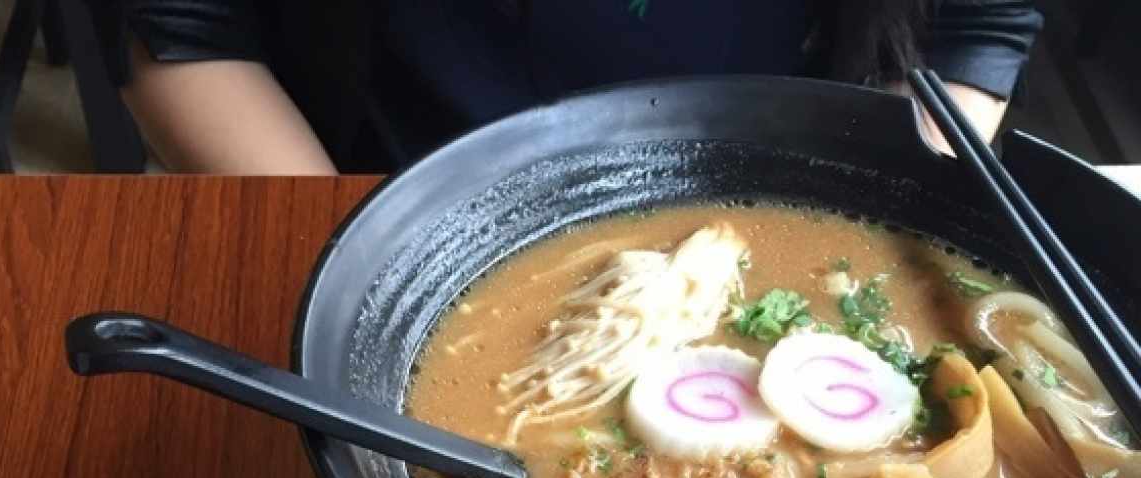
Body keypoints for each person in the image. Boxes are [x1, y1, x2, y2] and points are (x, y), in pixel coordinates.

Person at [103, 1, 1044, 175]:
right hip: (387, 186)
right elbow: (189, 28)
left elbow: (978, 26)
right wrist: (353, 252)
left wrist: (867, 210)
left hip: (779, 179)